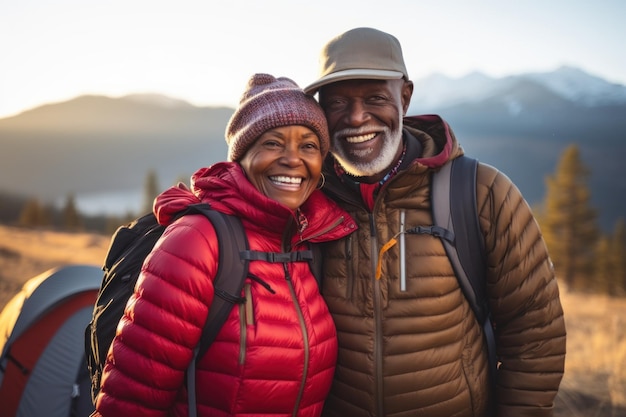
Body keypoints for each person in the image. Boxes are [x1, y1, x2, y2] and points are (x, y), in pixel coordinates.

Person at [304, 27, 566, 417]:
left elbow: (535, 334)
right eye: (338, 103)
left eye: (375, 98)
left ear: (405, 97)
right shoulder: (306, 201)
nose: (356, 118)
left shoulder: (480, 193)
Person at [91, 73, 357, 417]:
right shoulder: (197, 241)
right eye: (273, 143)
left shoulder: (310, 244)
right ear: (242, 157)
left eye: (308, 146)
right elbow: (130, 403)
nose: (293, 159)